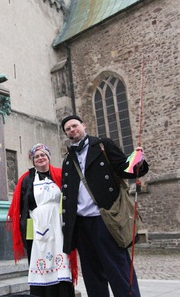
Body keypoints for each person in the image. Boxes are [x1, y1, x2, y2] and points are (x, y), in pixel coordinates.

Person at [60, 115, 149, 297]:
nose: (72, 130)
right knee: (93, 275)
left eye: (74, 126)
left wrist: (137, 162)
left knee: (118, 269)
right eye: (68, 129)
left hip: (106, 219)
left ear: (83, 126)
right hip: (82, 224)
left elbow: (124, 167)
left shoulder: (102, 145)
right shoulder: (68, 159)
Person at [7, 143, 77, 297]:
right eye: (36, 156)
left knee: (62, 261)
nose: (40, 158)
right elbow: (20, 205)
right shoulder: (26, 180)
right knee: (40, 261)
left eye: (43, 155)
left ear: (48, 157)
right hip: (37, 227)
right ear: (32, 160)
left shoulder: (60, 174)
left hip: (58, 226)